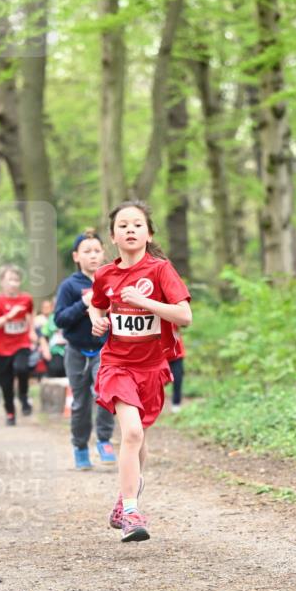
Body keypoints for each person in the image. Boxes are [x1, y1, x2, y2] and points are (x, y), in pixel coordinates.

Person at [89, 200, 191, 542]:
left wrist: (144, 302)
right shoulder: (105, 274)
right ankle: (132, 513)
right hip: (116, 365)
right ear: (113, 236)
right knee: (131, 433)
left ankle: (126, 495)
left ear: (148, 234)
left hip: (151, 367)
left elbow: (184, 316)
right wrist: (97, 321)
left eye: (137, 224)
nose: (130, 229)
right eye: (123, 225)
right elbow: (96, 304)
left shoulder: (161, 270)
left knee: (139, 436)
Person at [54, 229, 116, 469]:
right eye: (87, 251)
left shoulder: (110, 281)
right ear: (76, 256)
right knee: (80, 403)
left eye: (97, 251)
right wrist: (83, 303)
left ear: (104, 253)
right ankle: (80, 447)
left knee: (105, 395)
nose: (93, 256)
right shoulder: (69, 286)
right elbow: (59, 320)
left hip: (104, 349)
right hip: (76, 351)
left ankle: (104, 440)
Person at [0, 264, 34, 425]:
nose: (13, 283)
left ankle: (23, 396)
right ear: (2, 282)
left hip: (22, 343)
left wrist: (32, 330)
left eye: (16, 280)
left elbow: (30, 314)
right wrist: (9, 316)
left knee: (22, 368)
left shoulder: (26, 298)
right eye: (9, 280)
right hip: (3, 349)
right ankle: (10, 413)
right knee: (6, 384)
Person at [37, 299, 66, 379]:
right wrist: (45, 349)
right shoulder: (51, 318)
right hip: (55, 350)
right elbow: (43, 335)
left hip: (71, 350)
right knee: (56, 369)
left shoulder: (73, 315)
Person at [168, 326, 186, 413]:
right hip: (160, 355)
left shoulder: (172, 320)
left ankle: (176, 403)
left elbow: (184, 323)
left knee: (178, 378)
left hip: (176, 355)